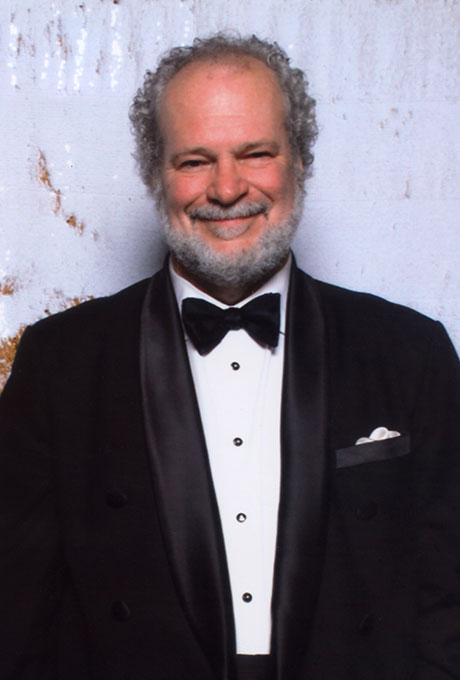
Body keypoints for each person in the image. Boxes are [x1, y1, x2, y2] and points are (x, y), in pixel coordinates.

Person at [1, 33, 459, 680]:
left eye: (255, 153)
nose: (226, 188)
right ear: (155, 173)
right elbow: (17, 620)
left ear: (299, 161)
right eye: (195, 160)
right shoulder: (60, 365)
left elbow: (448, 604)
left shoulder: (411, 352)